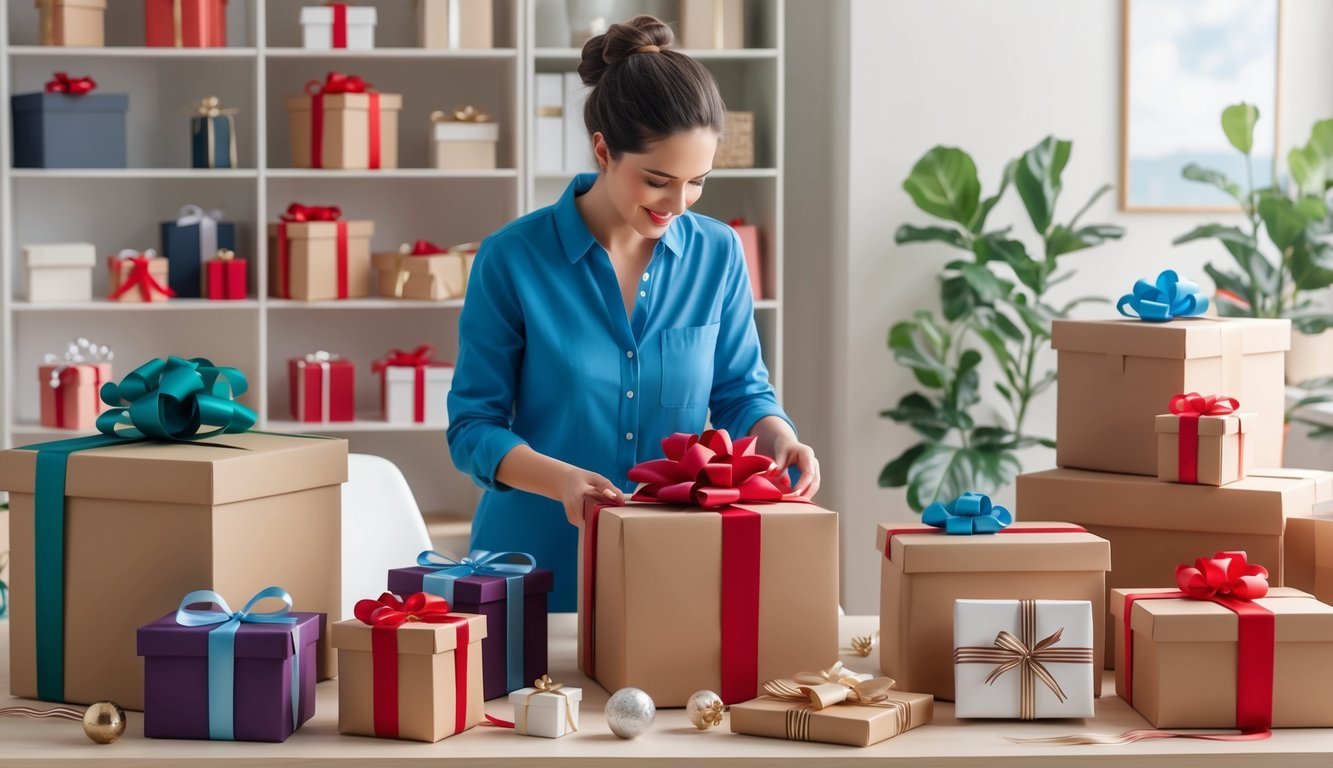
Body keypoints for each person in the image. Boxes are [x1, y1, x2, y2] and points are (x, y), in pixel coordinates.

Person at [447, 15, 820, 611]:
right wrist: (562, 480)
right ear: (603, 149)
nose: (679, 203)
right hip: (530, 570)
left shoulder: (718, 252)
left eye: (697, 182)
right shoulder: (511, 259)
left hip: (669, 561)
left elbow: (740, 391)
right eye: (658, 180)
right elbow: (473, 429)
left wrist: (779, 437)